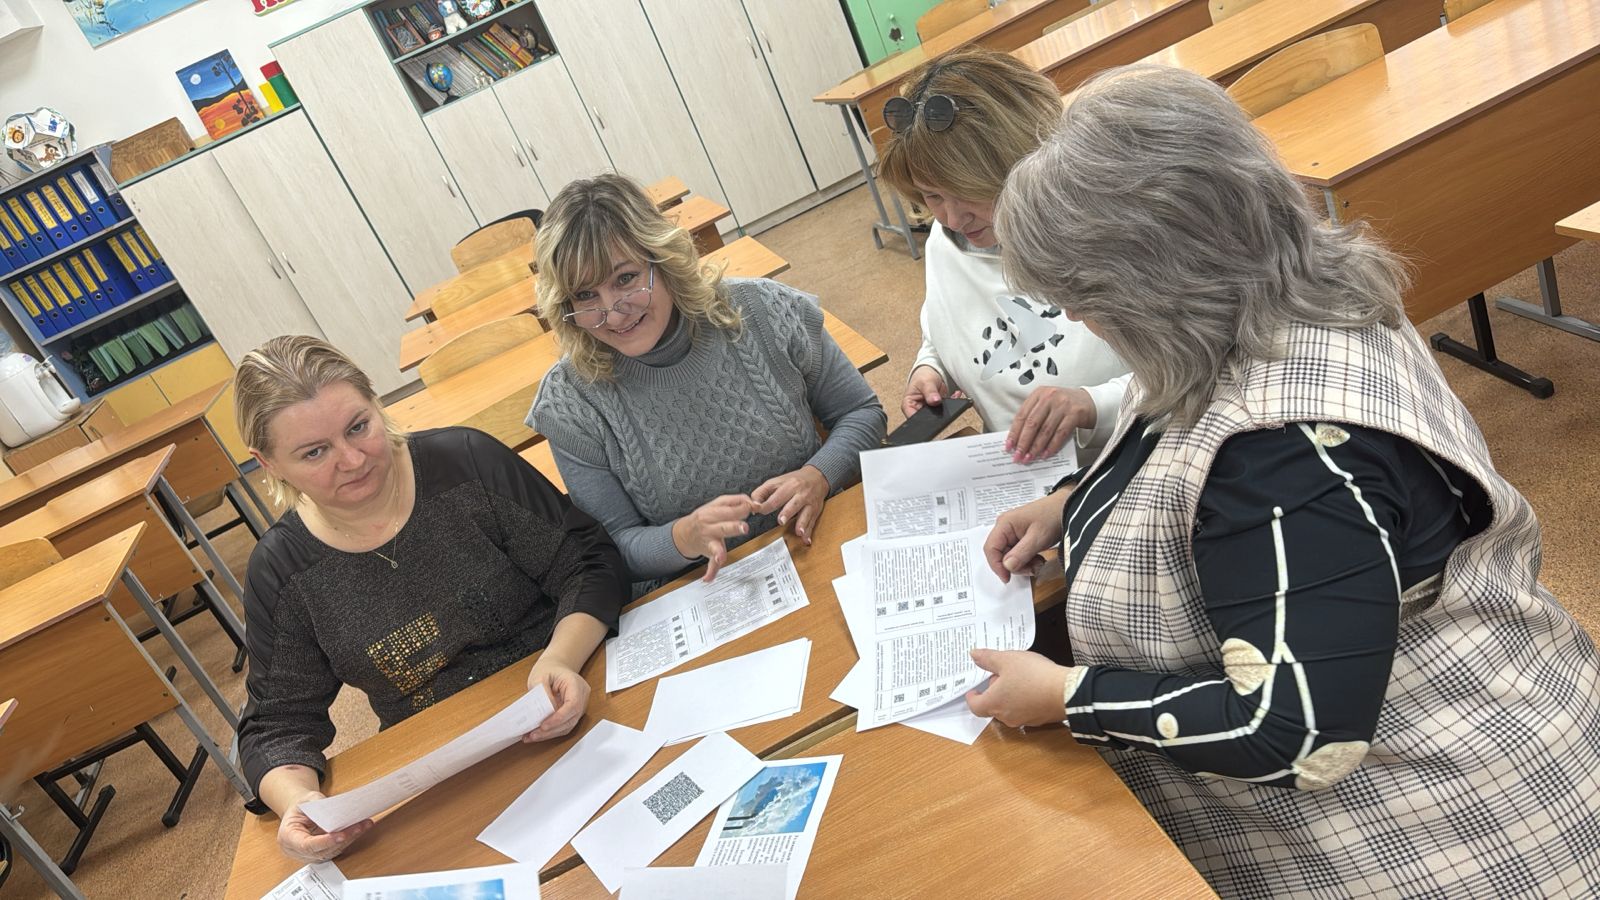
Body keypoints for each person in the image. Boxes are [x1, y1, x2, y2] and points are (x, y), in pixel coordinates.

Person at [969, 65, 1600, 897]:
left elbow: (1296, 735)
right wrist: (1072, 504)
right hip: (1509, 698)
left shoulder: (1278, 454)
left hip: (1451, 825)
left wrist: (1067, 696)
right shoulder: (1286, 293)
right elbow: (1176, 433)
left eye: (1082, 298)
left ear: (1154, 281)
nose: (1077, 319)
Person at [235, 335, 627, 863]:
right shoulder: (282, 570)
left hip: (570, 690)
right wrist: (297, 801)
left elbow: (586, 561)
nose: (352, 459)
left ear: (377, 402)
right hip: (443, 765)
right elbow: (276, 724)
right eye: (314, 452)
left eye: (359, 426)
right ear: (268, 463)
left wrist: (561, 658)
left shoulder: (465, 462)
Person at [528, 174, 887, 592]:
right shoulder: (570, 403)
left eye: (625, 279)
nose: (613, 312)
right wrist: (681, 538)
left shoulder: (761, 310)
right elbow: (614, 549)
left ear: (663, 259)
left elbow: (862, 413)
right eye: (585, 296)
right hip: (704, 592)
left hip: (819, 541)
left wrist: (818, 475)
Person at [876, 47, 1130, 465]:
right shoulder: (946, 240)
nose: (952, 218)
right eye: (932, 196)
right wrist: (932, 368)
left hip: (1131, 457)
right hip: (1019, 474)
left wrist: (1092, 404)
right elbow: (946, 319)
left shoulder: (1109, 229)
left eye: (967, 192)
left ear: (1027, 161)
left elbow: (1203, 368)